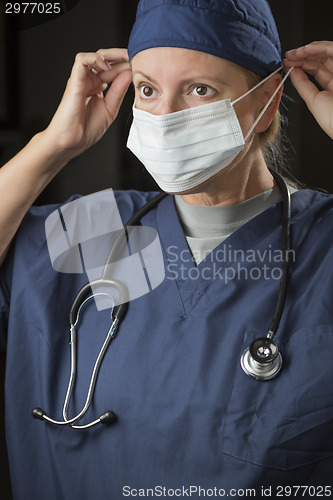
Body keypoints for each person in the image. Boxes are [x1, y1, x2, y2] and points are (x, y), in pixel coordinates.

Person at [1, 0, 333, 498]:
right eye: (148, 90)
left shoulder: (324, 241)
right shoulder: (93, 228)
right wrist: (53, 145)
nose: (166, 116)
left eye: (200, 89)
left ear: (266, 102)